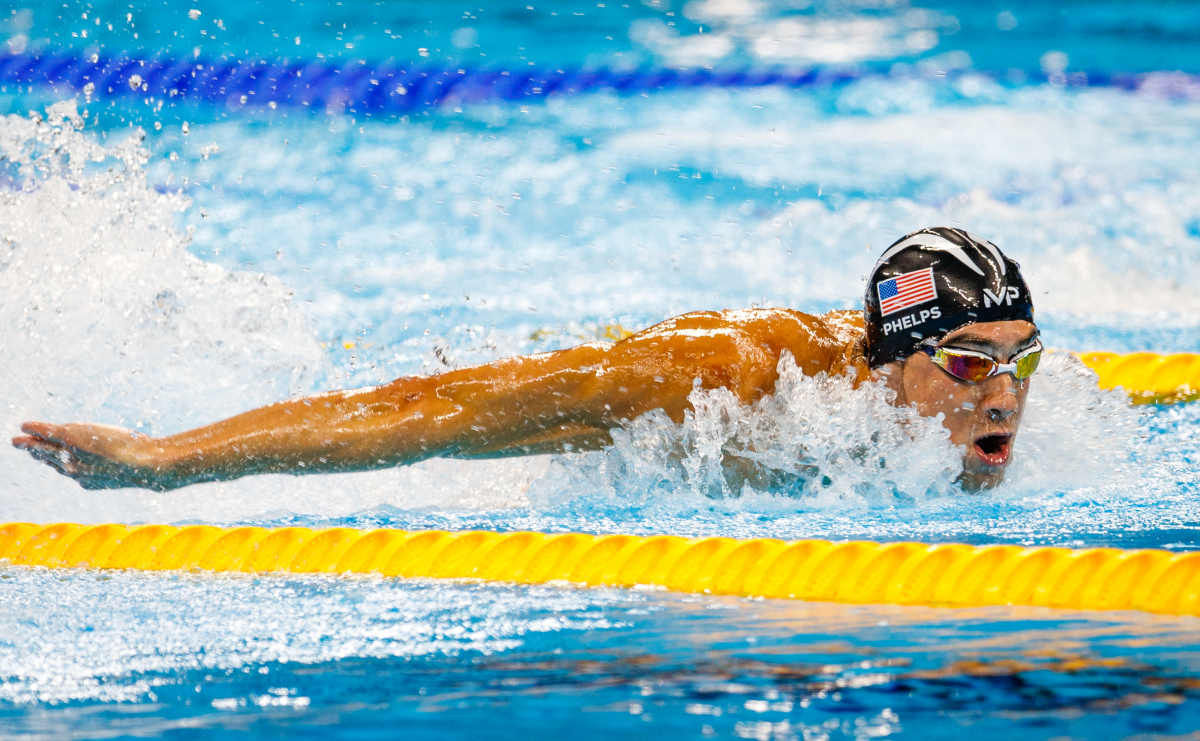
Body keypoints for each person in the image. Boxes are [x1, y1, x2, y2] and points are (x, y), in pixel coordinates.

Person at [12, 227, 1040, 493]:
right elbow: (427, 410)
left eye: (1018, 361)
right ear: (889, 358)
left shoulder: (1001, 408)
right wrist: (159, 457)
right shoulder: (725, 381)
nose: (1004, 396)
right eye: (964, 364)